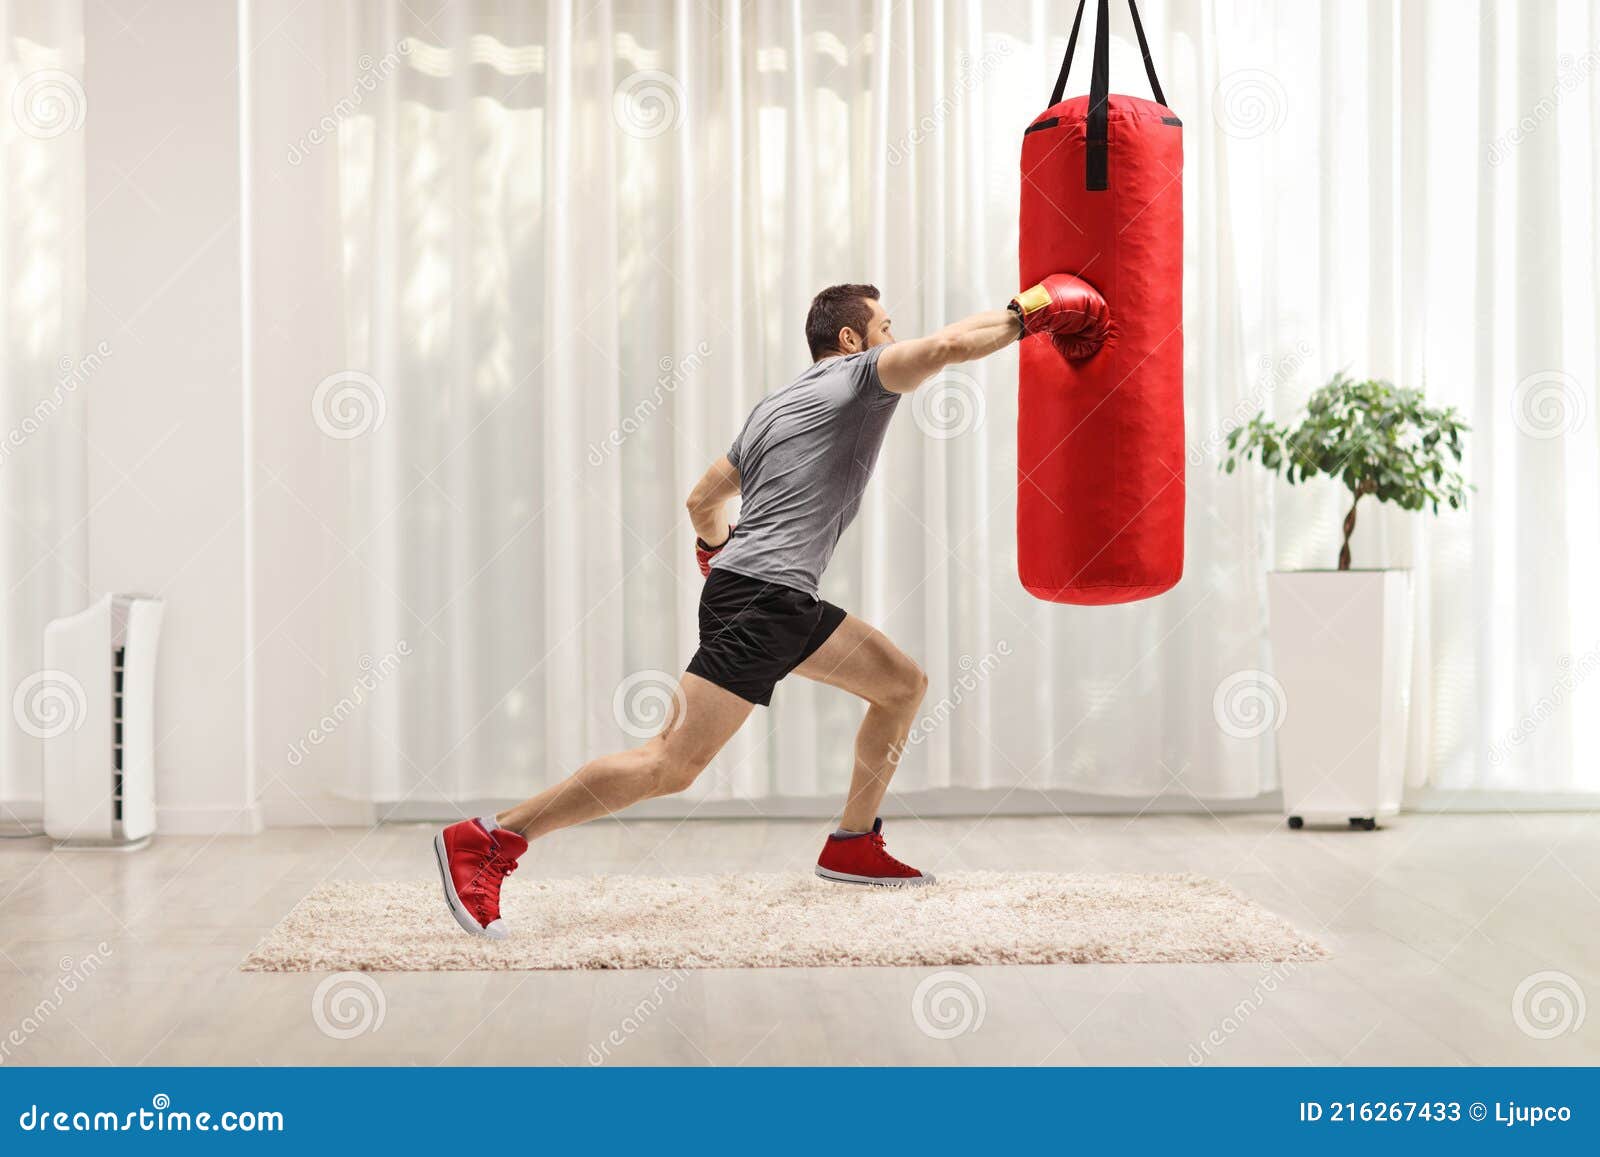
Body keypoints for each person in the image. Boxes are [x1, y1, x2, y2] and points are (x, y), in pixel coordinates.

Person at [434, 275, 1109, 937]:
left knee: (902, 685)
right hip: (762, 599)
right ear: (853, 338)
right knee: (670, 763)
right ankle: (491, 838)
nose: (892, 338)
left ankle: (852, 843)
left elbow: (702, 501)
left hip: (777, 596)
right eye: (884, 326)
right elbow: (949, 348)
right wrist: (1032, 313)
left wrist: (717, 552)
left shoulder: (772, 407)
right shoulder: (860, 376)